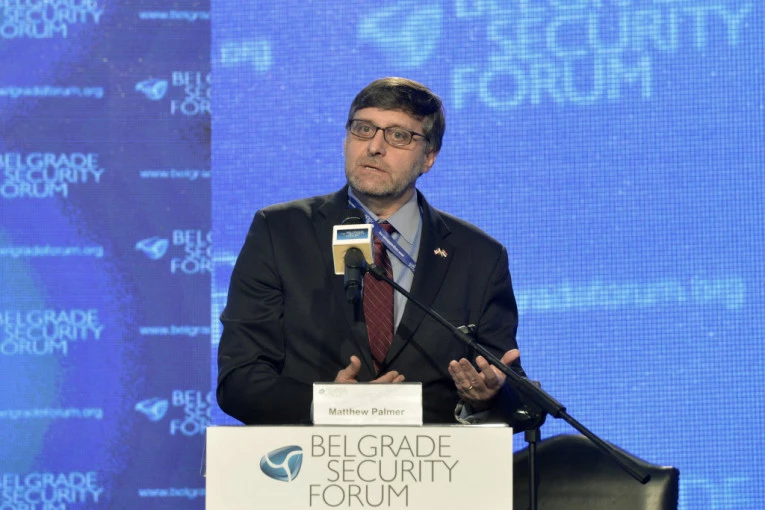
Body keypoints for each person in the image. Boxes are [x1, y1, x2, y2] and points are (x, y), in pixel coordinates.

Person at [217, 77, 527, 425]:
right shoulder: (280, 232)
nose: (374, 147)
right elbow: (238, 380)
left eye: (398, 135)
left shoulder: (479, 257)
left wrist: (485, 399)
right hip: (312, 455)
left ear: (429, 157)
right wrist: (329, 405)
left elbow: (518, 400)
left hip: (429, 457)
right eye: (363, 129)